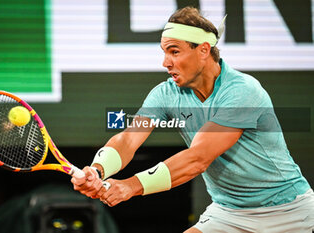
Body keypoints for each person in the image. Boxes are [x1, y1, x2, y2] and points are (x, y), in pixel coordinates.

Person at [71, 6, 314, 233]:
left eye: (174, 51)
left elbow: (198, 159)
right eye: (164, 52)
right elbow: (128, 139)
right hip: (228, 213)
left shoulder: (243, 90)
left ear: (204, 50)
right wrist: (97, 170)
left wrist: (130, 186)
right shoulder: (165, 93)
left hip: (290, 211)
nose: (165, 63)